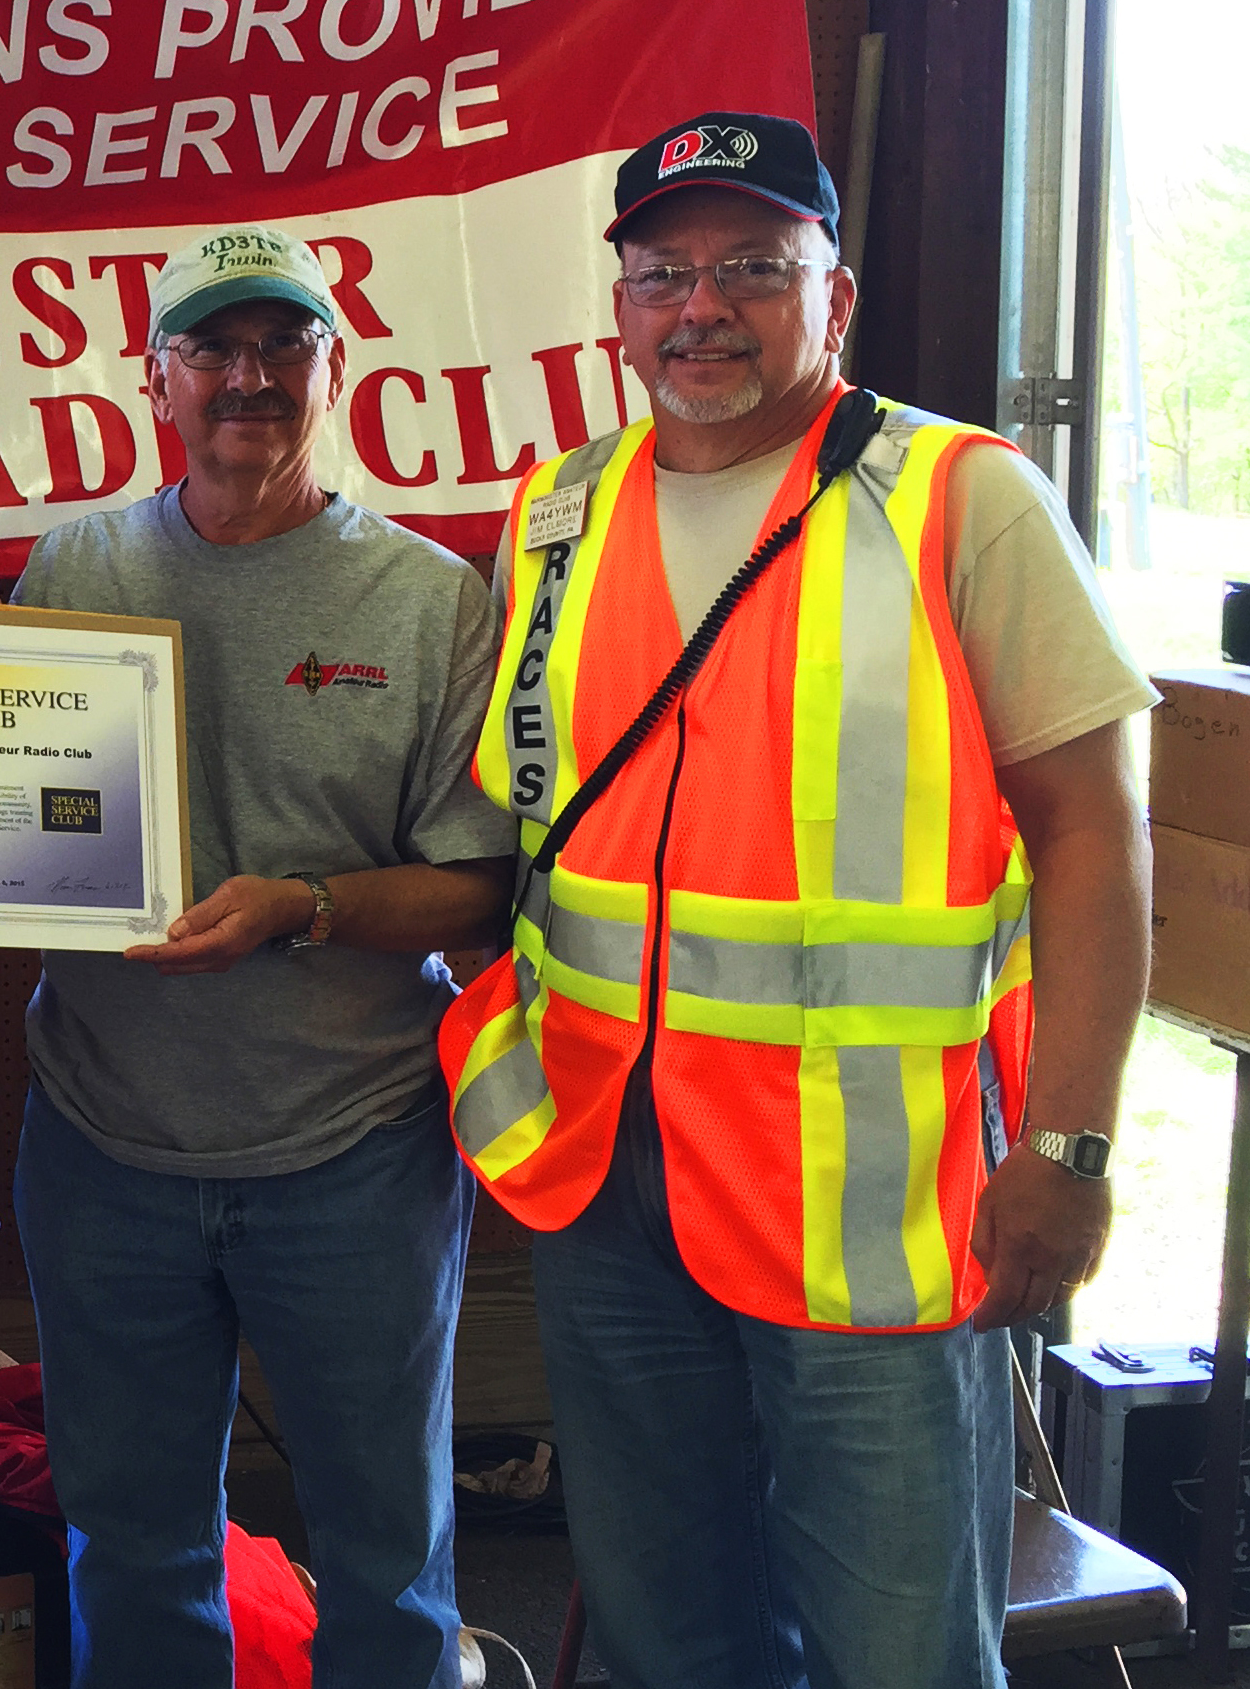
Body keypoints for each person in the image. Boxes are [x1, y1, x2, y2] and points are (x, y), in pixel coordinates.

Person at [438, 112, 1155, 1688]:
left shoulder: (960, 499)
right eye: (663, 272)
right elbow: (526, 834)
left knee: (897, 1652)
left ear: (833, 297)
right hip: (608, 1183)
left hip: (867, 1203)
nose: (701, 306)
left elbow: (1095, 838)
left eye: (753, 267)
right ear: (617, 306)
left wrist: (1067, 1150)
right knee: (663, 1638)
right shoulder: (553, 512)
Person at [0, 225, 514, 1687]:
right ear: (158, 379)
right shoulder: (73, 566)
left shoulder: (430, 599)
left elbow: (480, 891)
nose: (248, 376)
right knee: (131, 1549)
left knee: (387, 1560)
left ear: (337, 366)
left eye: (282, 343)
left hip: (354, 1153)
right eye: (212, 346)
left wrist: (301, 906)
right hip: (103, 1148)